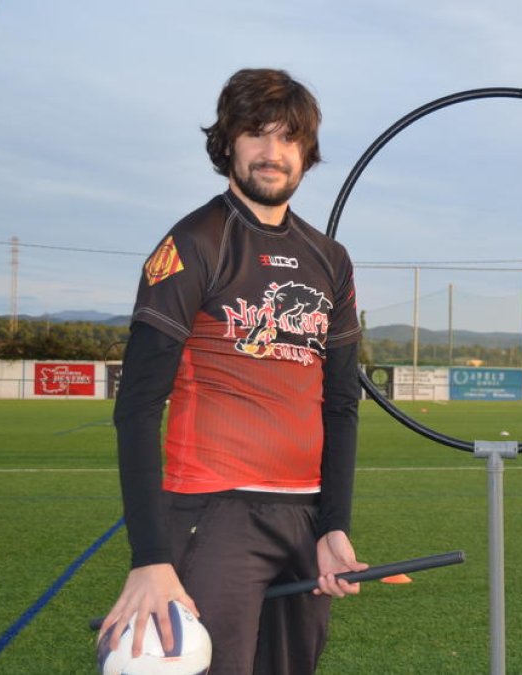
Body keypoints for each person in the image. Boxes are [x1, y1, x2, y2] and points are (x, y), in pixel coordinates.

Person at [99, 68, 367, 675]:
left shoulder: (331, 260)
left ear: (307, 152)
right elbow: (137, 406)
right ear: (228, 143)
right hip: (211, 516)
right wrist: (150, 557)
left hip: (303, 519)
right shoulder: (195, 242)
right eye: (256, 133)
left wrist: (334, 527)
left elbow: (341, 404)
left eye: (289, 138)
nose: (273, 153)